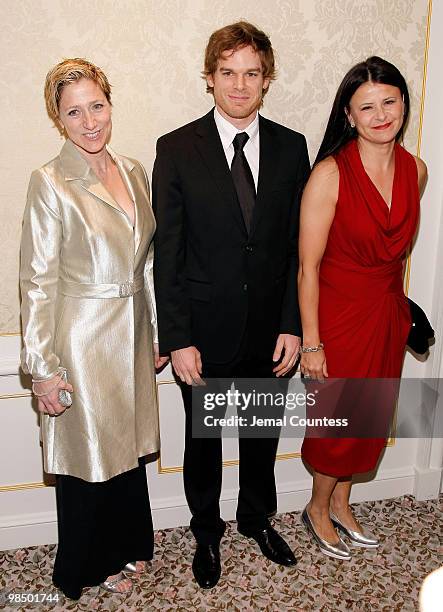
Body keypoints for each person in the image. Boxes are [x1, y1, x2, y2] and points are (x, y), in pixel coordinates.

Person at [153, 21, 310, 588]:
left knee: (261, 439)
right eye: (228, 73)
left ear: (266, 80)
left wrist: (294, 324)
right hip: (203, 334)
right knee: (204, 444)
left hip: (271, 331)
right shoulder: (175, 148)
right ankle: (206, 530)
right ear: (210, 78)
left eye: (251, 73)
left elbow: (298, 247)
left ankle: (256, 518)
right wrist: (177, 338)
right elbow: (167, 253)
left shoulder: (293, 148)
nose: (239, 85)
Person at [20, 58, 168, 599]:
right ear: (58, 120)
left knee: (125, 449)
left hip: (131, 331)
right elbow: (36, 281)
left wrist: (155, 331)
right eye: (74, 112)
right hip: (81, 339)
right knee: (88, 457)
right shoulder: (50, 181)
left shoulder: (132, 170)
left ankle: (129, 546)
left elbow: (145, 259)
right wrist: (42, 368)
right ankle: (85, 564)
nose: (89, 122)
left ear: (110, 104)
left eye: (97, 106)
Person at [298, 56, 427, 560]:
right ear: (348, 116)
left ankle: (344, 503)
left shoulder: (417, 170)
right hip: (338, 316)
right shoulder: (330, 174)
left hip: (386, 313)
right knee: (339, 422)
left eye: (389, 102)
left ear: (403, 105)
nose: (380, 114)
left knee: (370, 418)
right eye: (366, 106)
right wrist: (312, 341)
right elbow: (308, 267)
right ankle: (316, 506)